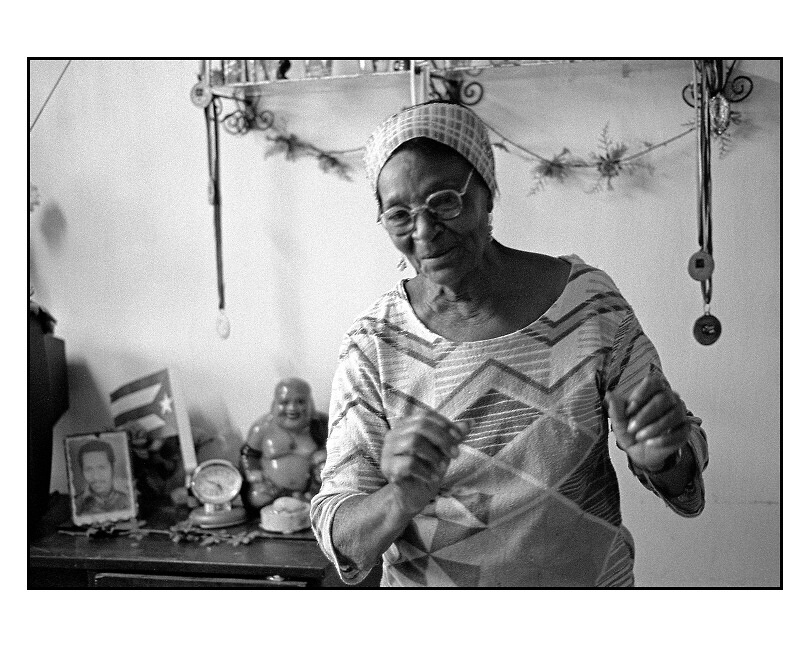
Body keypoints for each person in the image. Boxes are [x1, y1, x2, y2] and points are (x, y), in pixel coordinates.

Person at [310, 101, 709, 587]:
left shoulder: (589, 305)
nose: (424, 231)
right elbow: (340, 537)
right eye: (399, 215)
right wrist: (401, 497)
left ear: (487, 192)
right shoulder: (374, 344)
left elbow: (683, 470)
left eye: (444, 202)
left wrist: (662, 457)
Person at [240, 377, 327, 509]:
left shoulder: (322, 425)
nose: (292, 408)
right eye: (284, 402)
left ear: (310, 403)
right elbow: (248, 453)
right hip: (270, 490)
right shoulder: (262, 428)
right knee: (256, 498)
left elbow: (342, 450)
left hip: (312, 492)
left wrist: (324, 455)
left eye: (300, 402)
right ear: (275, 403)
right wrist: (252, 470)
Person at [73, 439, 130, 516]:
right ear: (82, 472)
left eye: (102, 468)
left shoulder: (129, 497)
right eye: (88, 469)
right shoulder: (76, 505)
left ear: (112, 468)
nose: (96, 477)